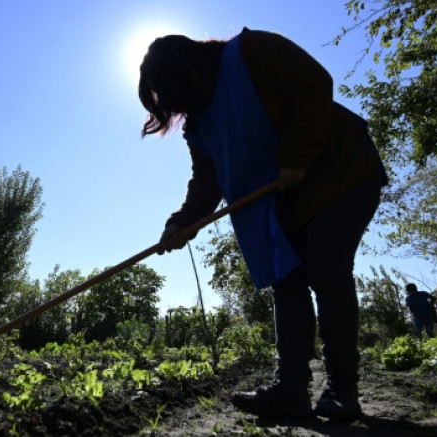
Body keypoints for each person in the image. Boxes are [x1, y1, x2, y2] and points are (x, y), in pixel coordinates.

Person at [138, 28, 386, 421]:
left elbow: (314, 83)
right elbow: (208, 182)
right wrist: (183, 223)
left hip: (342, 175)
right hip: (285, 200)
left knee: (327, 269)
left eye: (175, 93)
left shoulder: (252, 52)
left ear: (192, 72)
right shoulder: (198, 126)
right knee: (285, 281)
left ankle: (342, 388)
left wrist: (296, 157)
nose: (178, 106)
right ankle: (291, 389)